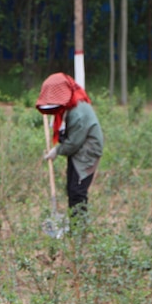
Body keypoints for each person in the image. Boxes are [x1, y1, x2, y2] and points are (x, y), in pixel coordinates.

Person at [35, 72, 104, 219]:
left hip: (87, 152)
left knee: (77, 191)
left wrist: (57, 150)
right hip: (78, 150)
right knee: (71, 189)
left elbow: (74, 142)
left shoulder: (77, 113)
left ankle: (78, 230)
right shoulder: (70, 107)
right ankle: (74, 227)